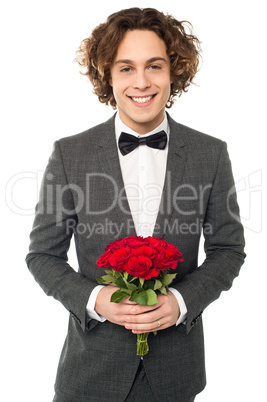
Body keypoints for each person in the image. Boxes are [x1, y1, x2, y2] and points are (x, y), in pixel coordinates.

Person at [26, 7, 245, 402]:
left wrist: (181, 301)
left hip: (176, 375)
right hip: (89, 373)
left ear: (173, 71)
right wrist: (95, 300)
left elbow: (228, 250)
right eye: (126, 68)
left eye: (154, 66)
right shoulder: (68, 154)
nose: (141, 82)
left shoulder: (210, 153)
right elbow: (43, 255)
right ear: (107, 75)